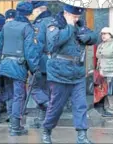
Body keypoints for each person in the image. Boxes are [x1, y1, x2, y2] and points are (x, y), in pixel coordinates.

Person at [41, 5, 98, 143]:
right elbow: (54, 42)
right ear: (66, 13)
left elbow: (94, 36)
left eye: (78, 16)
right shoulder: (54, 24)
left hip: (77, 72)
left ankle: (82, 136)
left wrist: (87, 37)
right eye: (74, 16)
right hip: (59, 72)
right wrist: (70, 26)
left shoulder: (80, 24)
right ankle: (46, 130)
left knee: (80, 105)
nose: (77, 18)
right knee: (56, 106)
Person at [0, 2, 41, 136]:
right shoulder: (27, 27)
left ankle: (13, 123)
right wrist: (34, 68)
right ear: (29, 13)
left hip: (5, 63)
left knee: (11, 94)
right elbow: (30, 51)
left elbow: (0, 45)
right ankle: (15, 127)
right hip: (18, 65)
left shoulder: (6, 25)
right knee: (18, 96)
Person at [30, 1, 52, 128]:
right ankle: (44, 119)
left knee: (34, 88)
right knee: (47, 89)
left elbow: (37, 45)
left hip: (42, 61)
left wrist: (33, 63)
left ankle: (49, 107)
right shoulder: (54, 21)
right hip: (54, 61)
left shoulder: (40, 23)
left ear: (38, 10)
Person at [3, 8, 17, 123]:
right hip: (9, 64)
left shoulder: (4, 29)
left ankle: (13, 113)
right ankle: (11, 113)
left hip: (11, 64)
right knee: (11, 90)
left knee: (14, 90)